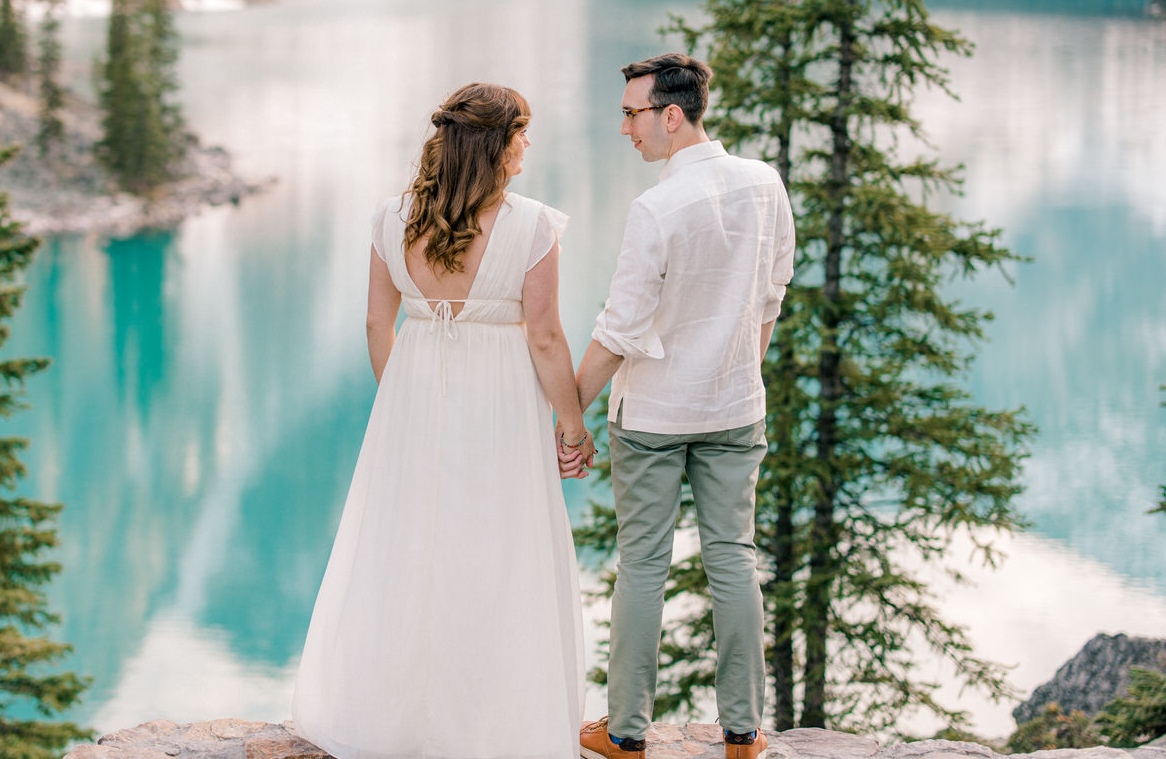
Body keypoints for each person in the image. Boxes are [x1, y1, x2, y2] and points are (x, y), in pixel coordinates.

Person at [293, 82, 592, 759]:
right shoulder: (534, 227)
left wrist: (404, 398)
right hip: (503, 402)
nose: (527, 147)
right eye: (521, 134)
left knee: (410, 551)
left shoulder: (391, 219)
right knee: (498, 551)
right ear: (496, 145)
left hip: (414, 390)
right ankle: (491, 725)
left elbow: (378, 323)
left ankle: (398, 720)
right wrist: (571, 425)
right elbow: (544, 338)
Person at [568, 54, 794, 759]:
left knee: (643, 565)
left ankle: (628, 732)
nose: (626, 130)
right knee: (733, 557)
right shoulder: (765, 185)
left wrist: (569, 412)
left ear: (671, 116)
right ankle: (743, 733)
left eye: (632, 115)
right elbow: (772, 296)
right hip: (734, 407)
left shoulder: (657, 207)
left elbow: (618, 328)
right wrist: (735, 375)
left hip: (656, 419)